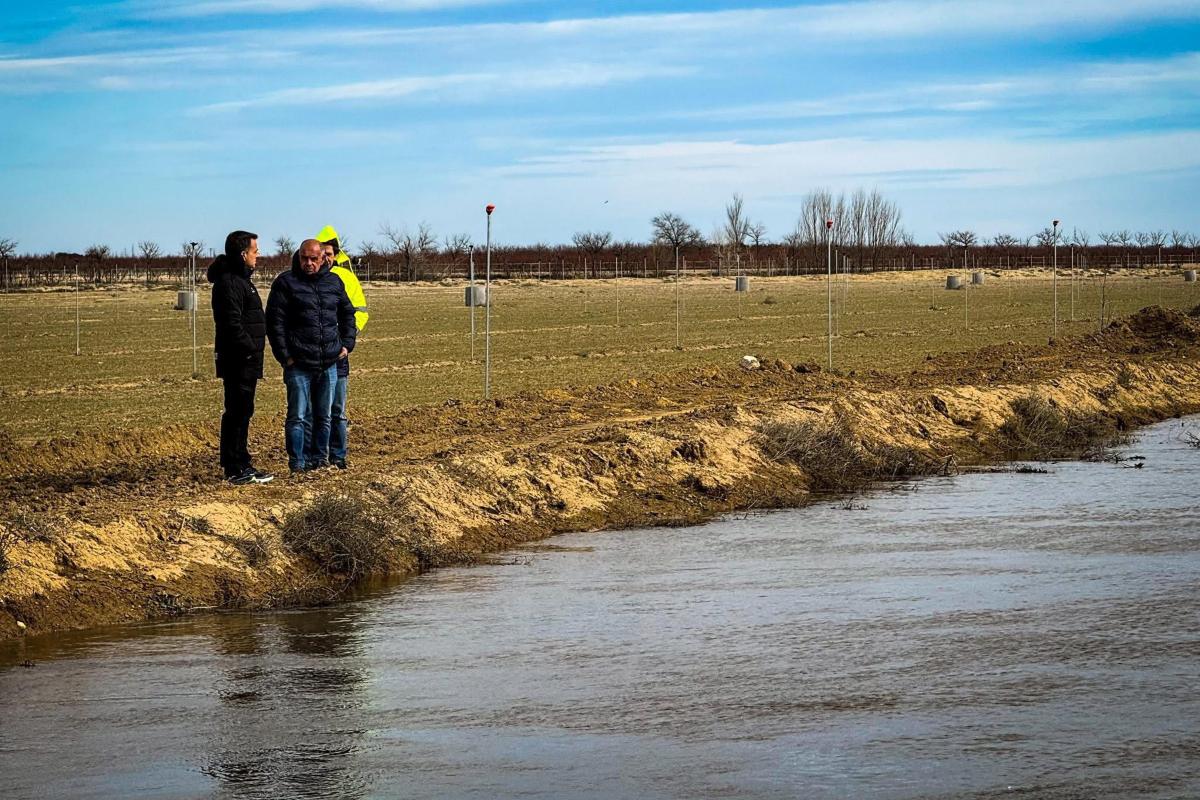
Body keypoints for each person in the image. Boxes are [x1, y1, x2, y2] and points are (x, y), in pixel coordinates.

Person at [265, 239, 357, 474]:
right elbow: (275, 324)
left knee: (325, 416)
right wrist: (286, 357)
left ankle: (320, 460)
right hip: (298, 363)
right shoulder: (286, 283)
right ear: (298, 257)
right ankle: (298, 463)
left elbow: (348, 313)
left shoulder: (334, 281)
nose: (308, 263)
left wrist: (347, 344)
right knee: (298, 416)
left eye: (313, 259)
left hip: (329, 362)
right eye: (304, 258)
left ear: (322, 259)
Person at [208, 230, 274, 484]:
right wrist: (250, 349)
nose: (258, 255)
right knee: (236, 411)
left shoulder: (241, 279)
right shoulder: (229, 283)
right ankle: (234, 467)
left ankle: (242, 461)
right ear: (243, 253)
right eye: (255, 251)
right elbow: (231, 324)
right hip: (239, 359)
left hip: (247, 358)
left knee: (244, 410)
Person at [315, 225, 368, 470]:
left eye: (328, 253)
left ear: (335, 254)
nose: (325, 258)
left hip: (338, 354)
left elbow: (359, 312)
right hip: (312, 355)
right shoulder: (305, 277)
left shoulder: (346, 278)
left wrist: (347, 341)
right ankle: (316, 458)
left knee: (337, 409)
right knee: (315, 411)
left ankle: (338, 456)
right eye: (321, 253)